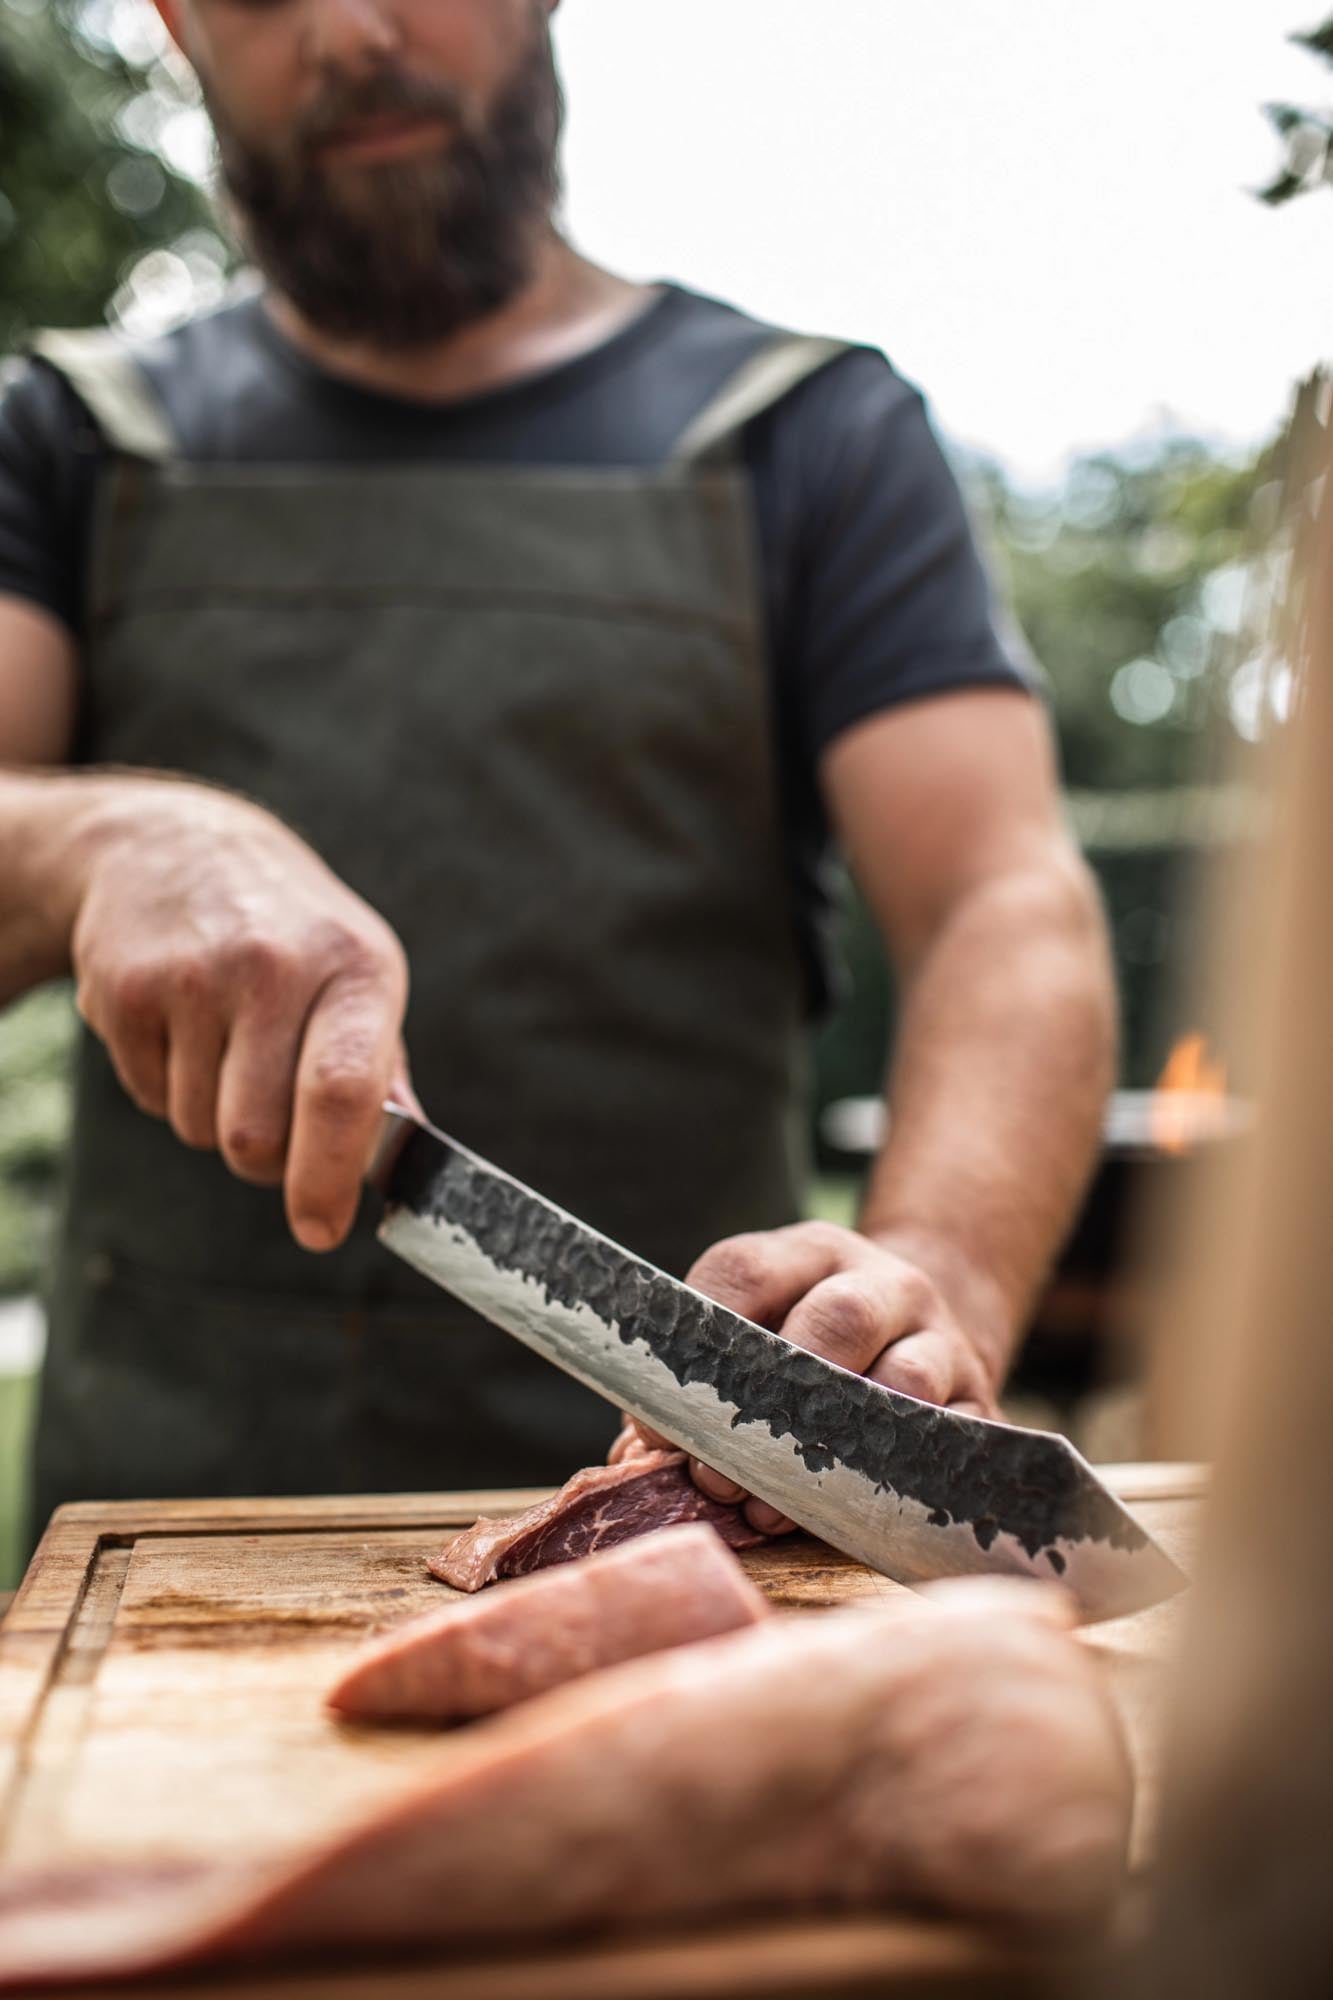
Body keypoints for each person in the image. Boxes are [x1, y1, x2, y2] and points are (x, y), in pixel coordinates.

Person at [0, 0, 1115, 1536]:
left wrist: (937, 1278)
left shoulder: (810, 440)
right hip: (164, 1533)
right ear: (180, 28)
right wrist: (98, 844)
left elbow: (1002, 900)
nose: (349, 29)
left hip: (717, 1531)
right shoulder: (66, 442)